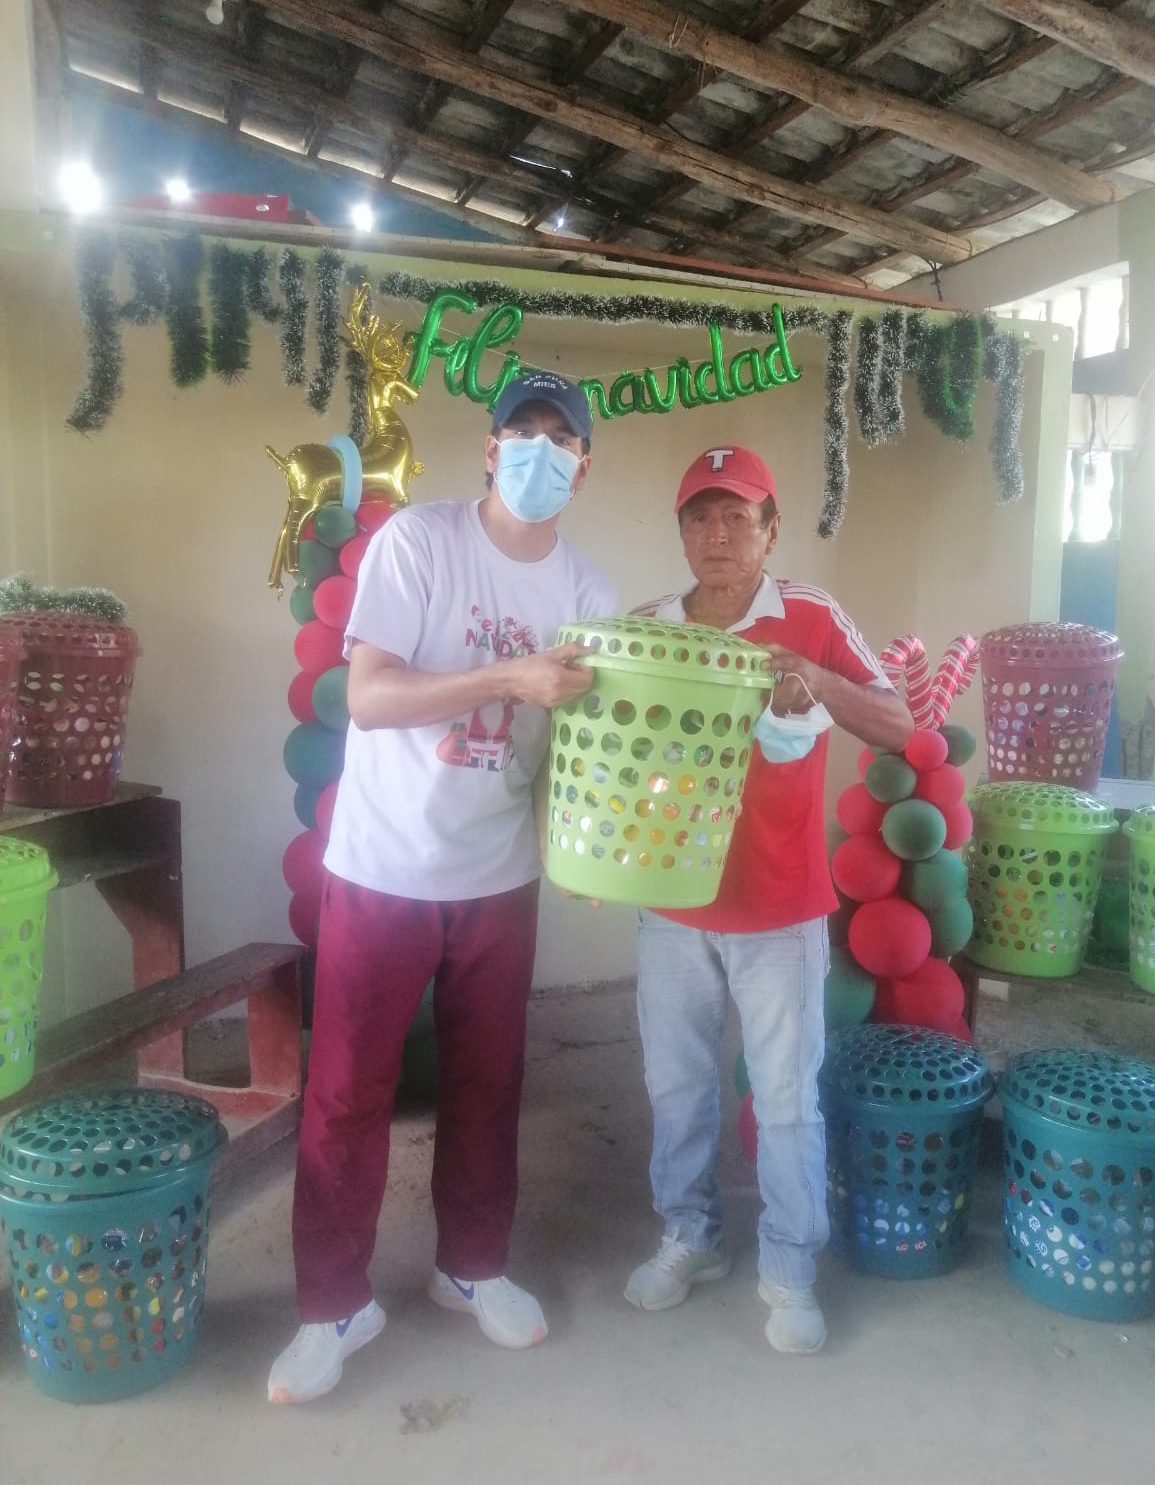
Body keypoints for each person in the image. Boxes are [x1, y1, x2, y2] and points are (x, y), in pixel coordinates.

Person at [269, 371, 618, 1404]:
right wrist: (508, 677)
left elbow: (585, 744)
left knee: (488, 1083)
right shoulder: (419, 543)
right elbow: (369, 696)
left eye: (563, 438)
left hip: (499, 875)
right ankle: (332, 1305)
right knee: (346, 1091)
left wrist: (591, 846)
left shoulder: (588, 593)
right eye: (524, 431)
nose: (541, 450)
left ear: (585, 467)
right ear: (490, 447)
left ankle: (471, 1265)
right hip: (383, 866)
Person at [625, 445, 913, 1354]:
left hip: (780, 907)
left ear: (771, 530)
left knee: (786, 1097)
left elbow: (900, 722)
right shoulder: (648, 626)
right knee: (677, 1087)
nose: (718, 534)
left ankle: (790, 1268)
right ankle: (691, 1236)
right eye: (700, 517)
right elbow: (618, 759)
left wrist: (815, 677)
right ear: (681, 533)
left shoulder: (811, 614)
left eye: (737, 516)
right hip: (671, 905)